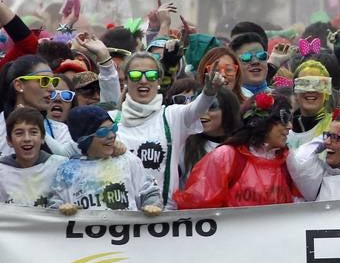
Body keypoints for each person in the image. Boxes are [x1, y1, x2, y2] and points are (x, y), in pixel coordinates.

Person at [109, 51, 223, 207]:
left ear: (159, 81)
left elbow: (196, 109)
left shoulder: (171, 116)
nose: (143, 80)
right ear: (126, 81)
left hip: (164, 220)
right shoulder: (111, 119)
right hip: (122, 217)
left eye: (151, 75)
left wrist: (208, 93)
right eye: (135, 75)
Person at [174, 92, 301, 209]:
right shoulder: (226, 157)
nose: (290, 126)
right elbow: (199, 206)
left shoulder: (288, 161)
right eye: (284, 118)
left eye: (291, 119)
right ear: (263, 121)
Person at [47, 106, 162, 214]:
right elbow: (54, 204)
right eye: (103, 132)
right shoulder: (66, 172)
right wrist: (61, 210)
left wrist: (152, 205)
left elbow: (150, 190)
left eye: (113, 128)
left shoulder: (127, 160)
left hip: (125, 234)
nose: (112, 135)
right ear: (84, 139)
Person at [0, 106, 68, 207]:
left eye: (33, 132)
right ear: (9, 141)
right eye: (19, 133)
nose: (27, 138)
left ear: (43, 138)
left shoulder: (61, 167)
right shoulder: (1, 170)